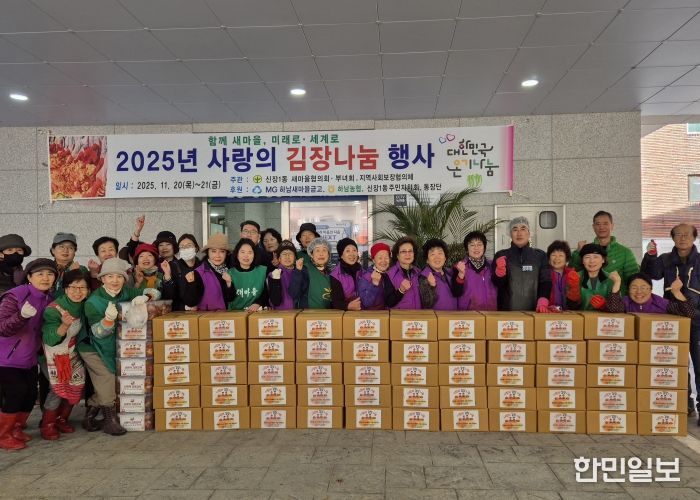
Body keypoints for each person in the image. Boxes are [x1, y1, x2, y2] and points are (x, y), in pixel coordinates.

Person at [83, 258, 159, 436]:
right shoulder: (92, 302)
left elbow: (155, 291)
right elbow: (98, 333)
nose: (115, 280)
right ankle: (109, 421)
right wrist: (108, 320)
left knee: (113, 380)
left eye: (119, 276)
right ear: (102, 279)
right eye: (110, 276)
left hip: (115, 346)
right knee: (107, 379)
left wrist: (145, 297)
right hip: (93, 347)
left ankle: (89, 416)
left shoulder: (125, 291)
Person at [641, 223, 700, 416]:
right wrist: (650, 256)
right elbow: (650, 275)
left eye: (687, 234)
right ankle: (685, 404)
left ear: (694, 237)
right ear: (672, 238)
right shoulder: (665, 259)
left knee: (699, 364)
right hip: (674, 318)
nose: (682, 238)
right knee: (678, 364)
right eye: (678, 234)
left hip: (697, 319)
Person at [0, 258, 57, 450]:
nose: (45, 278)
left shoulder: (49, 299)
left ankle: (16, 428)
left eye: (50, 274)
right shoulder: (15, 295)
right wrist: (21, 316)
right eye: (40, 274)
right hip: (7, 357)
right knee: (16, 392)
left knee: (31, 393)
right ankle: (3, 434)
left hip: (30, 356)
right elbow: (2, 327)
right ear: (29, 277)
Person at [40, 269, 90, 440]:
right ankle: (47, 425)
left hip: (71, 352)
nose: (78, 292)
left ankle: (62, 419)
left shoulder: (84, 305)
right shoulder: (53, 310)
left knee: (78, 383)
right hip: (52, 355)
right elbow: (49, 338)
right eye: (73, 287)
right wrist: (64, 326)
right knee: (57, 389)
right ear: (65, 288)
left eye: (82, 287)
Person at [570, 210, 639, 295]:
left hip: (616, 300)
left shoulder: (625, 252)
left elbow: (634, 280)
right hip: (587, 300)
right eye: (598, 224)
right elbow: (572, 273)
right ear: (593, 227)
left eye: (605, 223)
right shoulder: (586, 249)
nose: (601, 227)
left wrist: (625, 300)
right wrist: (578, 252)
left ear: (612, 226)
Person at [492, 217, 552, 311]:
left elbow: (545, 281)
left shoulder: (540, 255)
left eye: (523, 229)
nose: (519, 233)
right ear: (510, 234)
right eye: (515, 229)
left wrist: (543, 300)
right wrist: (499, 273)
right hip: (506, 313)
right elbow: (497, 284)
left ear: (529, 233)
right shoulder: (501, 255)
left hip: (535, 312)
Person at [182, 233, 236, 311]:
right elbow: (190, 302)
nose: (217, 255)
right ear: (208, 252)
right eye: (213, 251)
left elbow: (231, 298)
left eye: (222, 251)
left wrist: (229, 284)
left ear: (226, 253)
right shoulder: (199, 272)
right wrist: (191, 284)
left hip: (226, 316)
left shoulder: (229, 270)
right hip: (206, 316)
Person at [607, 273, 695, 317]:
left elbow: (689, 313)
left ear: (651, 289)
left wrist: (677, 292)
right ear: (628, 290)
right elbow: (612, 309)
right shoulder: (626, 302)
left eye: (643, 287)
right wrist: (617, 283)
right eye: (634, 288)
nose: (639, 292)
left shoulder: (661, 303)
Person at [452, 231, 497, 311]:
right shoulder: (459, 267)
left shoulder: (493, 266)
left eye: (479, 244)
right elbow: (456, 292)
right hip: (469, 316)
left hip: (491, 314)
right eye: (472, 245)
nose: (476, 248)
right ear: (467, 248)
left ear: (484, 247)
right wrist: (461, 274)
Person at [290, 237, 332, 309]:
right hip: (308, 314)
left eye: (324, 250)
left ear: (328, 255)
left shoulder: (331, 272)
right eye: (317, 250)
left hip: (328, 314)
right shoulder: (304, 270)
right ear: (311, 255)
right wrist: (298, 272)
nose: (321, 254)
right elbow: (294, 293)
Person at [227, 238, 268, 311]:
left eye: (250, 252)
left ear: (254, 255)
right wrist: (229, 284)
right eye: (242, 252)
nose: (246, 256)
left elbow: (267, 293)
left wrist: (258, 303)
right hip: (235, 314)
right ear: (237, 254)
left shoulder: (263, 271)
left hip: (256, 313)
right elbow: (229, 298)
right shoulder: (229, 273)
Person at [577, 244, 621, 310]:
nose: (592, 261)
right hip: (579, 316)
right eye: (587, 257)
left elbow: (617, 308)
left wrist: (604, 305)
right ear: (582, 261)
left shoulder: (611, 278)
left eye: (595, 257)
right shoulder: (575, 277)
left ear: (603, 260)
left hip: (603, 316)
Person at [419, 238, 457, 310]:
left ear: (445, 257)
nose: (437, 257)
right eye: (432, 254)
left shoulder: (451, 274)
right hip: (435, 317)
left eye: (440, 253)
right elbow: (426, 304)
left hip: (454, 316)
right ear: (427, 260)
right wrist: (432, 287)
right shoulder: (424, 277)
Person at [385, 236, 421, 309]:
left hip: (418, 315)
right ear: (397, 255)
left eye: (410, 251)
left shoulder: (419, 273)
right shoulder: (390, 274)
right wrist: (401, 290)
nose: (407, 254)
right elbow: (388, 303)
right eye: (403, 251)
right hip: (398, 315)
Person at [50, 233, 88, 298]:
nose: (65, 250)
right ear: (53, 250)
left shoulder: (81, 270)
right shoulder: (46, 269)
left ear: (74, 252)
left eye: (70, 248)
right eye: (61, 246)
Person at [546, 240, 581, 311]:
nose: (557, 258)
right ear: (549, 258)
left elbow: (578, 302)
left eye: (561, 255)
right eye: (553, 255)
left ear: (566, 258)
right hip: (548, 313)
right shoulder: (544, 274)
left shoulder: (572, 274)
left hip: (569, 314)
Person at [330, 238, 362, 310]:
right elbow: (335, 302)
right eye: (347, 251)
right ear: (341, 255)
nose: (352, 254)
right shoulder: (335, 275)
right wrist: (347, 306)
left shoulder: (362, 271)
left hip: (364, 313)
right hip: (345, 314)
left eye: (354, 250)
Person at [358, 242, 392, 310]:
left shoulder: (387, 275)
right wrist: (374, 285)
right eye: (380, 258)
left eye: (386, 258)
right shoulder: (366, 277)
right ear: (373, 260)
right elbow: (366, 303)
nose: (383, 261)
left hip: (385, 314)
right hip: (371, 315)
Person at [268, 240, 298, 309]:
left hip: (299, 312)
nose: (287, 256)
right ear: (279, 258)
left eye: (290, 253)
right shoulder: (272, 275)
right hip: (280, 313)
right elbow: (275, 301)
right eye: (284, 254)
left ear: (295, 258)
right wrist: (276, 280)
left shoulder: (300, 273)